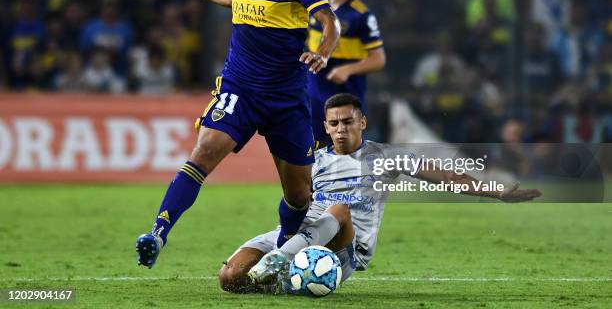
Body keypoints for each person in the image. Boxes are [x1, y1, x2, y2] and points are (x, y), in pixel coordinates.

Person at [135, 0, 340, 268]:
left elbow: (329, 22)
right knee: (203, 152)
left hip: (286, 98)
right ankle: (157, 233)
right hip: (240, 88)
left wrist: (322, 53)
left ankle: (281, 250)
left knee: (298, 194)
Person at [218, 93, 542, 293]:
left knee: (340, 210)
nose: (342, 129)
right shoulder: (313, 160)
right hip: (299, 234)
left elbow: (445, 175)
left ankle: (279, 262)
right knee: (229, 277)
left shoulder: (387, 156)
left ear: (363, 122)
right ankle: (278, 282)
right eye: (335, 123)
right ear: (326, 126)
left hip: (346, 248)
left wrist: (495, 191)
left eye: (348, 122)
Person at [307, 0, 386, 147]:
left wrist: (347, 69)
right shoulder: (313, 6)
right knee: (310, 153)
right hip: (313, 94)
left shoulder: (362, 16)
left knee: (346, 153)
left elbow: (378, 59)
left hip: (345, 99)